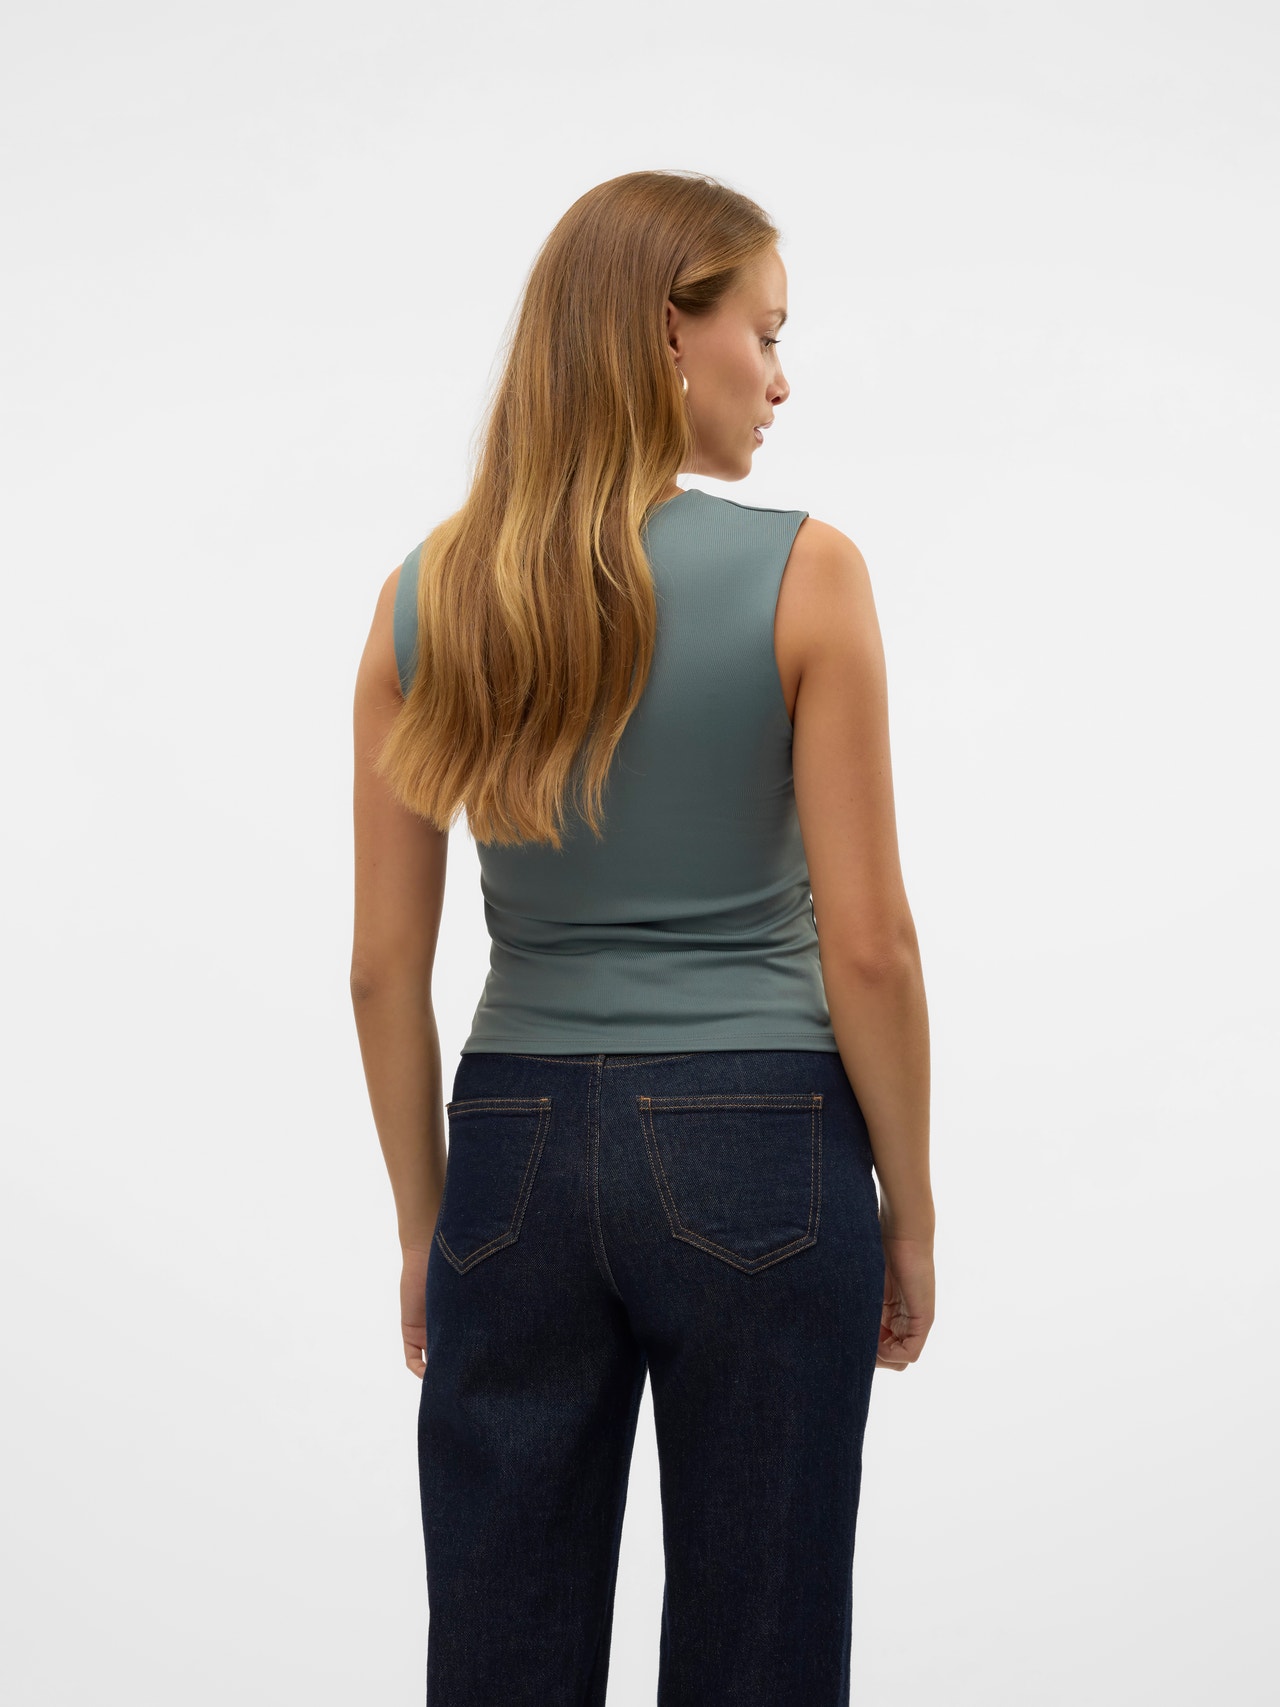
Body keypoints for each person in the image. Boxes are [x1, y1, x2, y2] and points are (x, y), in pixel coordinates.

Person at [350, 168, 935, 1707]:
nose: (780, 379)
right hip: (764, 1139)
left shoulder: (424, 599)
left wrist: (425, 1228)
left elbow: (380, 971)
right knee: (761, 1647)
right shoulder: (806, 575)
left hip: (512, 1154)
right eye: (766, 332)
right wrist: (914, 1211)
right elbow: (872, 947)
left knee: (499, 1650)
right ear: (671, 333)